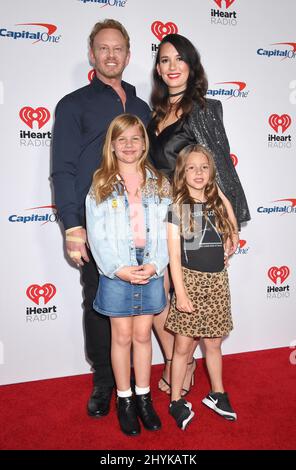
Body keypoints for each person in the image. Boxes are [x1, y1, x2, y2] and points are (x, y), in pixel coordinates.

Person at [51, 19, 151, 418]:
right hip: (97, 226)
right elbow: (63, 168)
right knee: (98, 301)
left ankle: (135, 380)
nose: (111, 55)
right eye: (103, 49)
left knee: (141, 301)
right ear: (92, 55)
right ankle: (105, 381)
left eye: (118, 49)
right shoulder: (73, 104)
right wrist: (73, 226)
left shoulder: (142, 107)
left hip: (142, 222)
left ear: (128, 55)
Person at [148, 33, 250, 396]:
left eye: (179, 59)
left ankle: (184, 360)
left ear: (192, 66)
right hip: (155, 211)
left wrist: (230, 223)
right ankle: (181, 358)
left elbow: (218, 167)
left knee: (183, 291)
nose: (172, 67)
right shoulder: (155, 112)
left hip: (192, 215)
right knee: (158, 296)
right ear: (158, 69)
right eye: (164, 60)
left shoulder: (202, 109)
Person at [85, 113, 171, 436]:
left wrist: (156, 264)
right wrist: (116, 269)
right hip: (116, 267)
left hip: (149, 264)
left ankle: (144, 398)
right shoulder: (100, 184)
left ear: (144, 143)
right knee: (121, 337)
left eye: (136, 138)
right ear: (112, 145)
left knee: (142, 335)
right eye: (122, 139)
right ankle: (124, 399)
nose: (129, 145)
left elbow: (166, 231)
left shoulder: (159, 182)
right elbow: (97, 234)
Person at [166, 144, 237, 430]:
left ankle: (217, 394)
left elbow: (232, 227)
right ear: (182, 173)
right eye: (192, 168)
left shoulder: (216, 204)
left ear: (212, 173)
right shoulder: (178, 209)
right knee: (184, 346)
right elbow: (173, 258)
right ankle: (175, 399)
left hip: (218, 282)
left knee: (214, 344)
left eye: (204, 167)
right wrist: (180, 293)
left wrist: (217, 192)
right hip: (190, 284)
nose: (198, 173)